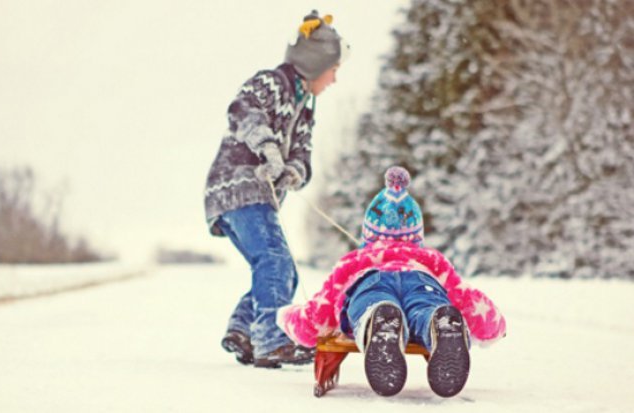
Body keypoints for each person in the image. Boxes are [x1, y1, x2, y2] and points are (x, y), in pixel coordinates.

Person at [277, 166, 507, 396]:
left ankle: (378, 320)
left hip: (372, 280)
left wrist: (288, 317)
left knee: (370, 302)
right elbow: (466, 298)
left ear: (369, 231)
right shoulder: (432, 259)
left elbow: (318, 313)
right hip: (421, 280)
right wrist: (495, 326)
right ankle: (437, 322)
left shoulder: (356, 260)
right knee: (425, 306)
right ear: (417, 233)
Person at [203, 10, 350, 369]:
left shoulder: (304, 109)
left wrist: (294, 172)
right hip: (238, 187)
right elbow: (242, 110)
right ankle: (271, 339)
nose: (334, 79)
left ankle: (244, 331)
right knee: (274, 262)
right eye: (333, 69)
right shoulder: (272, 84)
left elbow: (302, 153)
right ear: (316, 63)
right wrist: (268, 148)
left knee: (282, 271)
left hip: (254, 196)